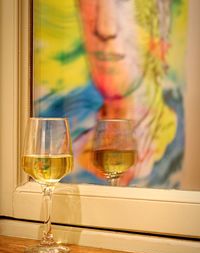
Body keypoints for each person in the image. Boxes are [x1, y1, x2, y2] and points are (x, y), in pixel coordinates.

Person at [35, 0, 187, 187]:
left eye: (123, 3)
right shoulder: (59, 120)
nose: (104, 28)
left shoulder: (179, 132)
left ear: (160, 37)